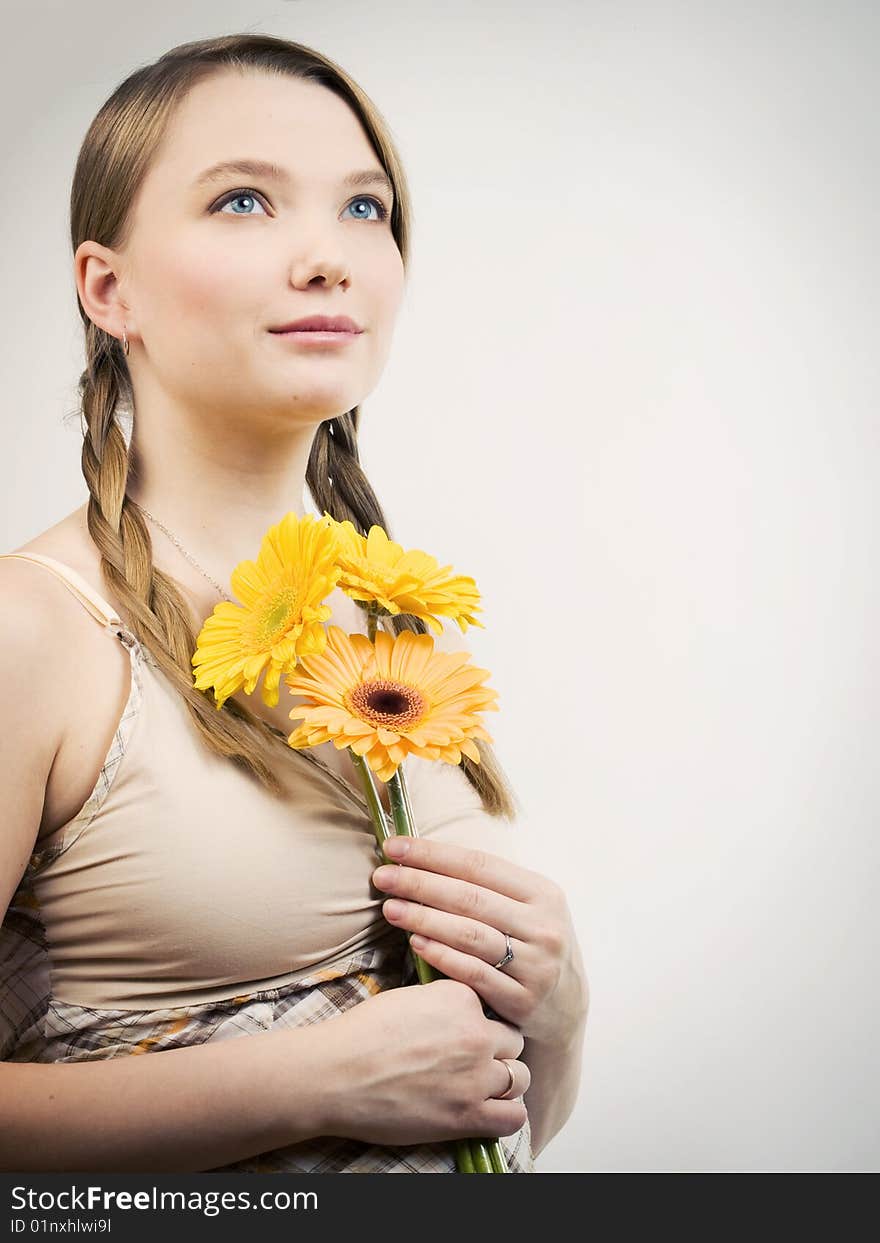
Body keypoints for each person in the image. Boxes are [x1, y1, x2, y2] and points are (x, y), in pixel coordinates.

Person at [0, 33, 589, 1173]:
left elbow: (511, 1124)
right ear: (106, 287)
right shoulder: (37, 632)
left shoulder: (401, 626)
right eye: (243, 201)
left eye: (365, 211)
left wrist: (558, 1010)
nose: (328, 258)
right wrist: (311, 1079)